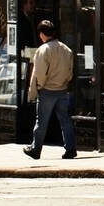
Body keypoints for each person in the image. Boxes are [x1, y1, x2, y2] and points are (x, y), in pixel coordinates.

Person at [23, 20, 77, 160]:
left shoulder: (43, 50)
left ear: (41, 34)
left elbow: (39, 73)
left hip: (47, 90)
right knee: (65, 120)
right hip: (62, 89)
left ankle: (36, 149)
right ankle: (70, 148)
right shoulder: (66, 49)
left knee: (41, 121)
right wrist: (64, 83)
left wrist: (37, 88)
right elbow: (70, 72)